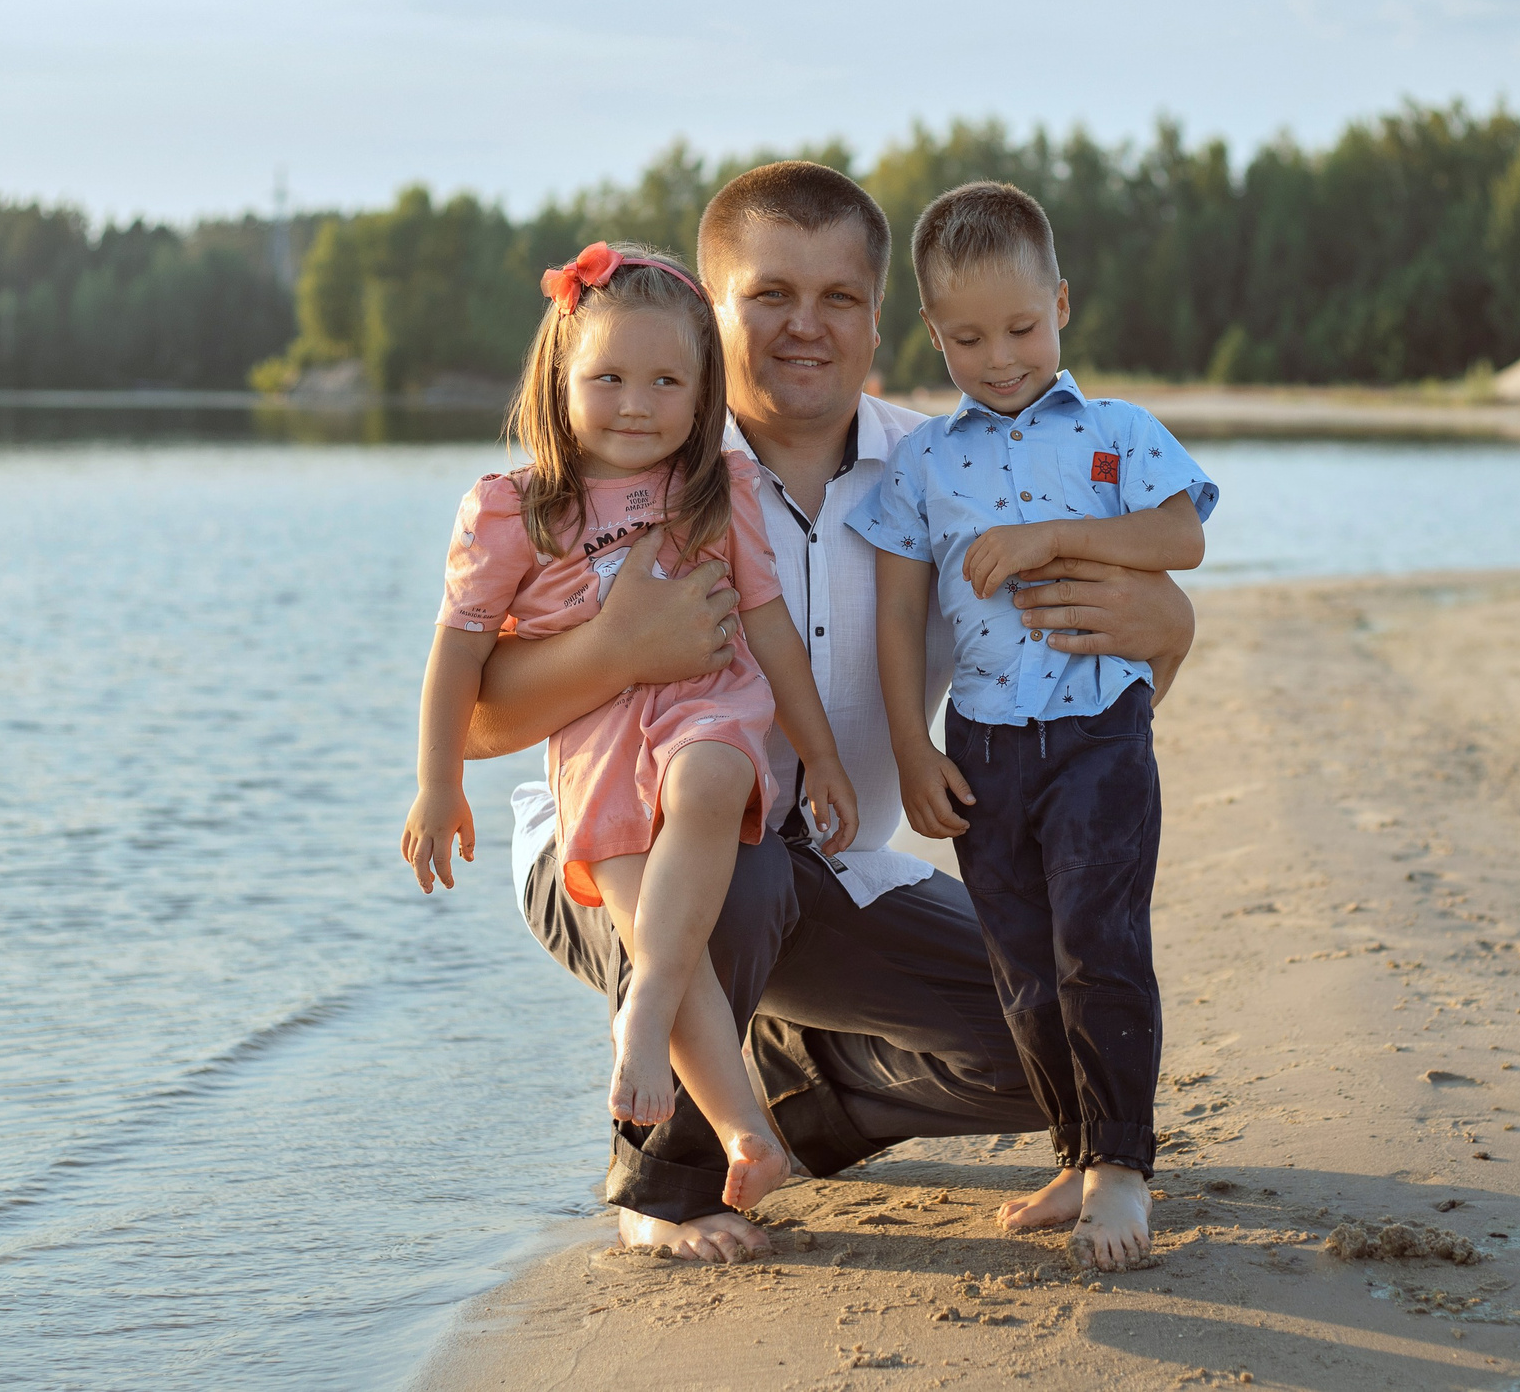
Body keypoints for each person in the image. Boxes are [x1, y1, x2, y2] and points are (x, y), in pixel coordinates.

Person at [458, 161, 1200, 1264]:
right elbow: (480, 722)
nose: (805, 327)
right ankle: (661, 1180)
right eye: (769, 297)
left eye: (837, 298)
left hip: (837, 861)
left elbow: (1114, 635)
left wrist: (1166, 623)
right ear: (711, 317)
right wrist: (617, 646)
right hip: (615, 843)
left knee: (1032, 1035)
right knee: (735, 852)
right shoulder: (633, 461)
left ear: (879, 318)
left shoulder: (942, 468)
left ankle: (787, 1096)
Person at [399, 242, 859, 1216]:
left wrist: (818, 751)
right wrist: (439, 782)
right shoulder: (513, 510)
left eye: (666, 380)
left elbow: (768, 624)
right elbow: (458, 654)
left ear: (703, 395)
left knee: (705, 792)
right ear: (558, 378)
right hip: (595, 735)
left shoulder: (716, 490)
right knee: (644, 907)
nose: (636, 402)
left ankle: (644, 1010)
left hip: (707, 698)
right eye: (606, 377)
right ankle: (744, 1133)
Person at [852, 181, 1215, 1271]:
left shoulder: (1117, 433)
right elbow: (901, 608)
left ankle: (1122, 1167)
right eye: (967, 336)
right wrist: (912, 750)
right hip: (985, 745)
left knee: (1100, 947)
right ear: (933, 333)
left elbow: (1179, 542)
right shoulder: (920, 462)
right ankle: (1071, 1152)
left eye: (1020, 327)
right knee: (1021, 964)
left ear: (1060, 304)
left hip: (1100, 733)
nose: (999, 357)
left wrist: (1056, 537)